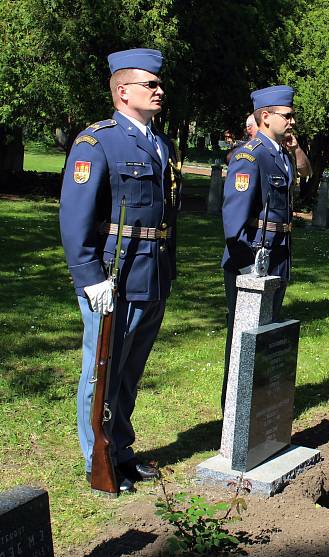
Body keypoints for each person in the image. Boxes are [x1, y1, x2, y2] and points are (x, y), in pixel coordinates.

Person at [60, 48, 179, 494]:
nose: (159, 90)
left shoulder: (160, 144)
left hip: (152, 272)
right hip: (114, 275)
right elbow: (75, 217)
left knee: (129, 371)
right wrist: (90, 279)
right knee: (101, 370)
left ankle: (122, 451)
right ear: (122, 90)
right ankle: (99, 458)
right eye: (151, 84)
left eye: (158, 84)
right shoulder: (97, 142)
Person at [220, 85, 311, 408]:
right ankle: (234, 409)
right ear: (266, 116)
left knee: (267, 333)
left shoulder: (280, 155)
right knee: (244, 337)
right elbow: (234, 221)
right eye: (287, 115)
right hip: (254, 259)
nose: (292, 121)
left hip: (278, 255)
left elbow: (304, 171)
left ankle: (257, 409)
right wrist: (249, 267)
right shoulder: (250, 155)